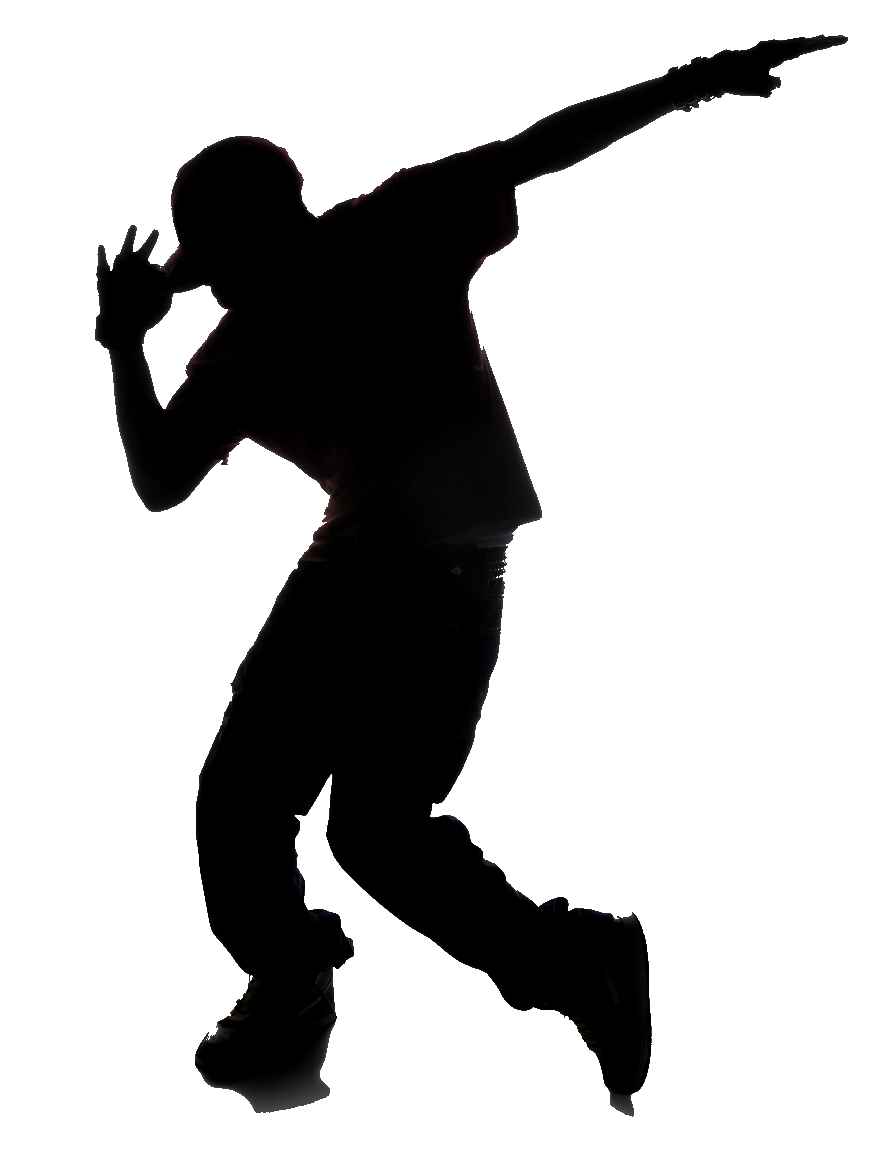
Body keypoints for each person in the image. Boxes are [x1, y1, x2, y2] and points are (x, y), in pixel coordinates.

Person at [95, 34, 846, 1113]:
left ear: (276, 220)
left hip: (399, 579)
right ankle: (489, 966)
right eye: (213, 269)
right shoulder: (270, 317)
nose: (222, 286)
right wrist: (131, 340)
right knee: (321, 819)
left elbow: (540, 147)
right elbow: (161, 479)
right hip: (417, 580)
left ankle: (443, 968)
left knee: (310, 815)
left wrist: (690, 84)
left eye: (227, 259)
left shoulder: (369, 241)